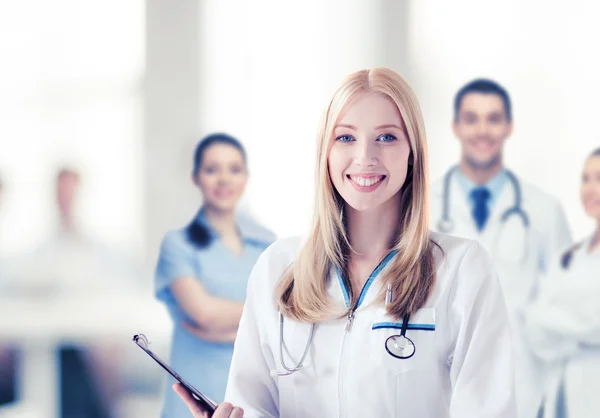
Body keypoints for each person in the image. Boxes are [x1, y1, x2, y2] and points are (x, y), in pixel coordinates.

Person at [174, 68, 516, 418]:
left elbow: (489, 408)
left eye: (386, 138)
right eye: (346, 138)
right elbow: (252, 404)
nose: (365, 157)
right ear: (326, 151)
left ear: (412, 152)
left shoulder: (460, 269)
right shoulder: (278, 268)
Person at [429, 79, 572, 417]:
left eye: (493, 119)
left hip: (525, 391)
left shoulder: (543, 211)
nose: (483, 130)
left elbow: (568, 308)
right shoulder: (424, 208)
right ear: (456, 126)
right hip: (441, 389)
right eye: (472, 118)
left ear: (509, 126)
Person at [155, 133, 276, 417]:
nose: (224, 179)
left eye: (234, 170)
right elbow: (204, 314)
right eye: (212, 169)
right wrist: (258, 319)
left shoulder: (268, 245)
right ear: (196, 178)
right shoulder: (177, 244)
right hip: (196, 392)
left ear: (245, 178)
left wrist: (230, 327)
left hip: (254, 397)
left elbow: (286, 318)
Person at [523, 147, 600, 418]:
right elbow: (534, 326)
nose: (590, 189)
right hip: (558, 397)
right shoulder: (569, 258)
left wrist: (559, 327)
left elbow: (595, 321)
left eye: (599, 178)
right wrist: (581, 337)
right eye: (586, 178)